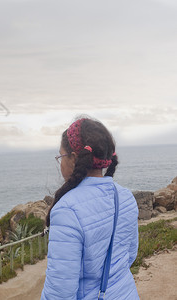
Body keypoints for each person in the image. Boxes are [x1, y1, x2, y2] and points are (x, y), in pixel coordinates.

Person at [40, 117, 139, 300]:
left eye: (60, 156)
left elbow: (60, 292)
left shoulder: (67, 211)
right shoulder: (125, 197)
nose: (60, 163)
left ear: (74, 159)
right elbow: (130, 255)